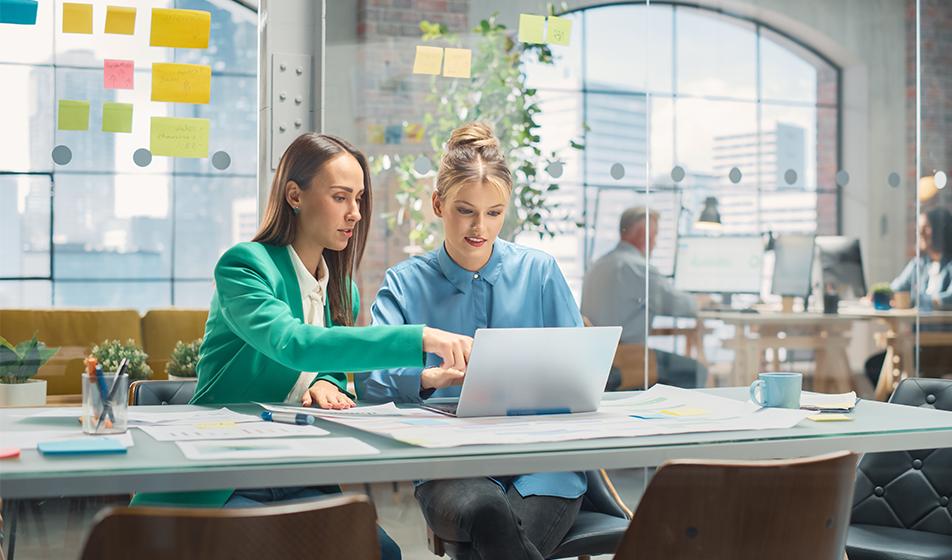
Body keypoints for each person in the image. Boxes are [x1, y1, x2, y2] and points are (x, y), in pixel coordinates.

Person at [131, 132, 473, 560]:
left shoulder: (340, 286)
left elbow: (324, 360)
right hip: (226, 477)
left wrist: (328, 381)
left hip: (297, 468)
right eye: (340, 197)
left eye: (359, 199)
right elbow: (293, 344)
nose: (355, 213)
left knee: (382, 551)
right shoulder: (245, 266)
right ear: (295, 194)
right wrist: (419, 338)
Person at [357, 122, 585, 560]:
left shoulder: (540, 273)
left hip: (544, 467)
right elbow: (371, 384)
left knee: (494, 542)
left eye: (494, 213)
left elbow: (577, 374)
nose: (480, 227)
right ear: (438, 204)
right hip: (450, 468)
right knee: (489, 516)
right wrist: (427, 378)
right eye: (465, 211)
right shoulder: (403, 285)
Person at [581, 207, 708, 389]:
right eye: (655, 236)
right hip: (626, 358)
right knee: (695, 371)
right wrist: (701, 301)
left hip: (597, 356)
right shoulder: (635, 267)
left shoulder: (598, 265)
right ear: (643, 236)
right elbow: (677, 305)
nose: (655, 243)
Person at [865, 206, 952, 386]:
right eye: (919, 227)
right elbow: (895, 288)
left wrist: (914, 300)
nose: (920, 232)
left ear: (941, 230)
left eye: (926, 227)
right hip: (917, 342)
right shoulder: (918, 264)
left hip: (942, 345)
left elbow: (949, 299)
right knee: (874, 367)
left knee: (885, 364)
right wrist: (878, 293)